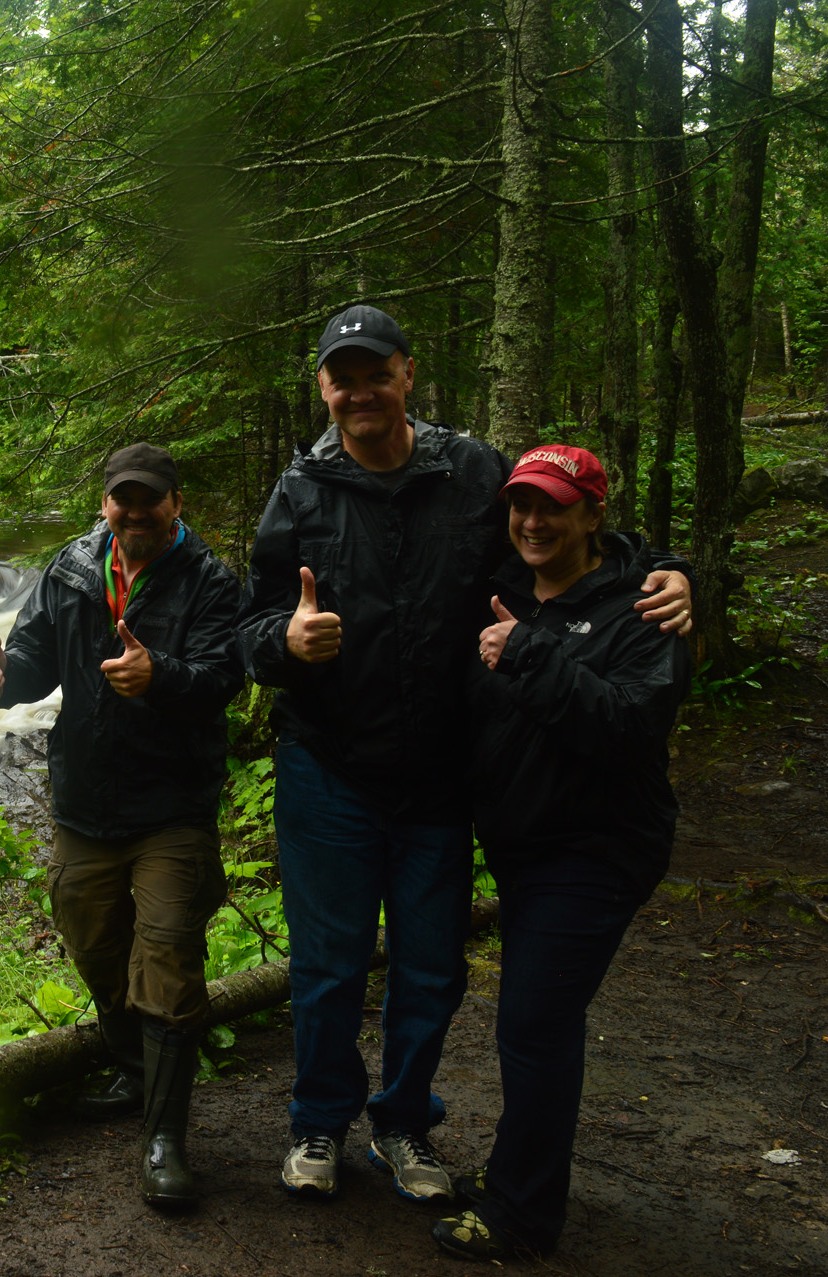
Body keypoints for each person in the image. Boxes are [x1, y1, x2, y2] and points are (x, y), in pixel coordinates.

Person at [236, 304, 692, 1204]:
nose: (360, 390)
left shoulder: (472, 470)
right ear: (324, 388)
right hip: (328, 764)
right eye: (343, 376)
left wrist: (673, 569)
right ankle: (319, 1121)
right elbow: (245, 628)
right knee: (328, 966)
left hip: (443, 772)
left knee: (432, 965)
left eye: (377, 372)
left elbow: (557, 537)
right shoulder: (300, 490)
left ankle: (403, 1122)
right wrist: (283, 642)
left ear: (408, 374)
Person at [431, 445, 690, 1259]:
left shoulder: (643, 609)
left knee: (536, 1024)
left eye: (553, 506)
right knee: (539, 1022)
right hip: (525, 844)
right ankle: (524, 1183)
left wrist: (533, 653)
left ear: (592, 513)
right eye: (522, 505)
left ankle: (522, 1213)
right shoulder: (502, 581)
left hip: (598, 847)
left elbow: (629, 727)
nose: (533, 521)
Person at [0, 441, 242, 1207]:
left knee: (165, 960)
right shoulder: (72, 568)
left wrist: (160, 677)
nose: (134, 513)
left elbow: (226, 677)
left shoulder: (210, 580)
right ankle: (132, 1070)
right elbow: (31, 664)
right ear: (105, 505)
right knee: (94, 947)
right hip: (85, 804)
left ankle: (165, 1138)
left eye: (149, 500)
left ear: (175, 505)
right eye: (122, 500)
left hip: (172, 808)